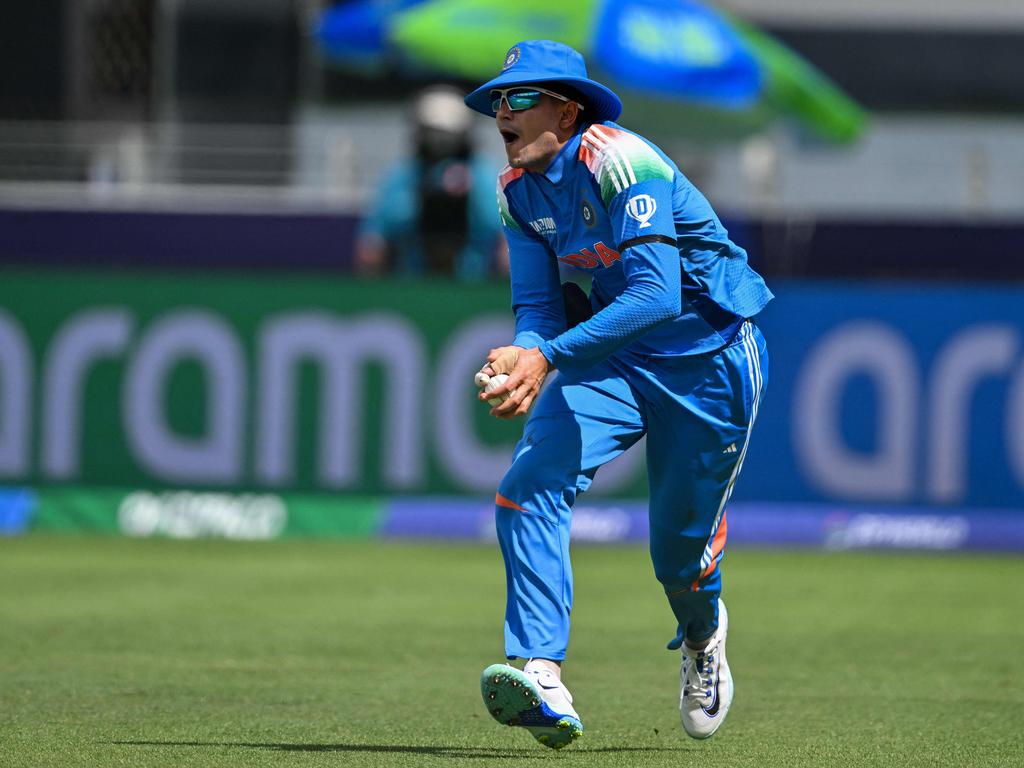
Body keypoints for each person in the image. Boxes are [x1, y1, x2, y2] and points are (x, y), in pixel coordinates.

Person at [464, 40, 772, 749]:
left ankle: (703, 636)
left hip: (712, 360)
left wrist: (545, 355)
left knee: (678, 558)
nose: (500, 114)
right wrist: (523, 349)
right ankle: (540, 670)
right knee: (527, 484)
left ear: (567, 111)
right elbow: (540, 308)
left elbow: (656, 297)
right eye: (496, 102)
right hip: (619, 360)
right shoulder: (516, 191)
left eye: (518, 99)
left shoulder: (618, 159)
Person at [356, 85, 506, 280]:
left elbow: (508, 243)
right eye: (433, 131)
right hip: (411, 290)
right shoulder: (401, 177)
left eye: (448, 132)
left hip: (470, 289)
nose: (440, 140)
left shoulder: (484, 175)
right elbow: (372, 246)